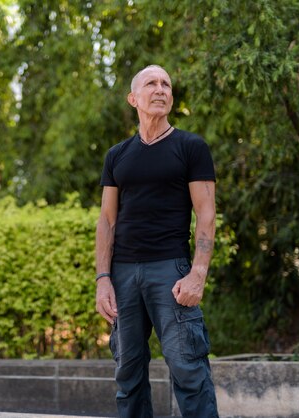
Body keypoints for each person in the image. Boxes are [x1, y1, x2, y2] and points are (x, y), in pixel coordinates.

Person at [95, 64, 219, 418]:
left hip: (171, 272)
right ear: (134, 98)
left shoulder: (191, 147)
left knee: (188, 370)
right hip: (123, 276)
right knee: (128, 374)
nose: (161, 88)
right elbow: (106, 220)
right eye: (152, 83)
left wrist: (198, 273)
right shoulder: (117, 155)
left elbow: (206, 213)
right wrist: (103, 279)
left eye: (166, 83)